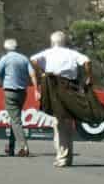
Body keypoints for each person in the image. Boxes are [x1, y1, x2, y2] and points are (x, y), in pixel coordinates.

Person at [31, 31, 92, 168]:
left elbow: (33, 59)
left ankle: (62, 156)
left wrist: (42, 73)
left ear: (52, 42)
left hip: (54, 86)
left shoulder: (48, 53)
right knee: (66, 122)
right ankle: (65, 156)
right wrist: (89, 77)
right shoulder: (72, 54)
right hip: (70, 85)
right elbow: (87, 61)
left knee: (58, 122)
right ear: (65, 42)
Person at [0, 38, 35, 158]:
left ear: (6, 48)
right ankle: (11, 147)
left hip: (10, 92)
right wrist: (36, 89)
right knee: (14, 119)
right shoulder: (24, 58)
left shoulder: (5, 59)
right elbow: (32, 74)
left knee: (15, 120)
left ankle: (23, 147)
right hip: (22, 93)